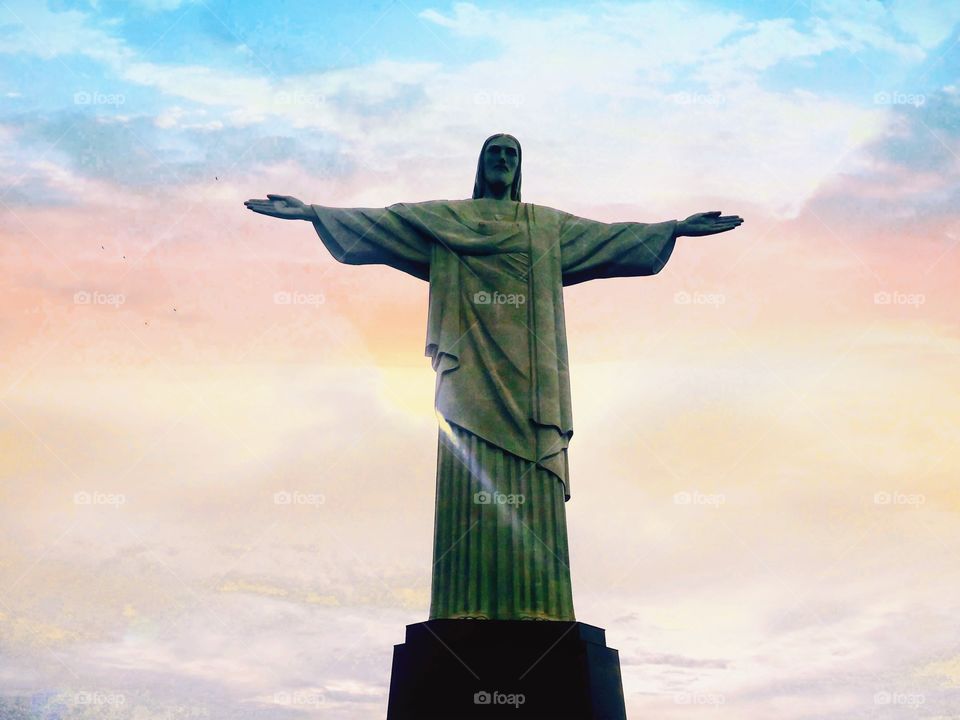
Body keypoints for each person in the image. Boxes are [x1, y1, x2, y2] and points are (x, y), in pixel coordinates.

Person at [245, 133, 743, 620]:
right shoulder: (446, 219)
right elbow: (383, 224)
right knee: (469, 472)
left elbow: (610, 237)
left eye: (511, 153)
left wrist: (674, 228)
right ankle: (463, 606)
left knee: (531, 480)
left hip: (532, 380)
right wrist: (313, 212)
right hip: (469, 376)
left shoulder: (545, 226)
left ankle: (542, 609)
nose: (502, 160)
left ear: (519, 167)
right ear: (481, 163)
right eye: (494, 152)